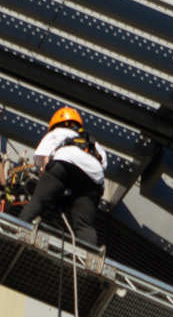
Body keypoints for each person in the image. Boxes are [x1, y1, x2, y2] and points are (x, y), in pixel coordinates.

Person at [19, 106, 107, 248]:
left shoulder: (57, 133)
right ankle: (88, 258)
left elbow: (46, 163)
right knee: (85, 224)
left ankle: (19, 229)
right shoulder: (95, 144)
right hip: (93, 177)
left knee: (40, 200)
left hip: (64, 161)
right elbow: (102, 166)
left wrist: (48, 181)